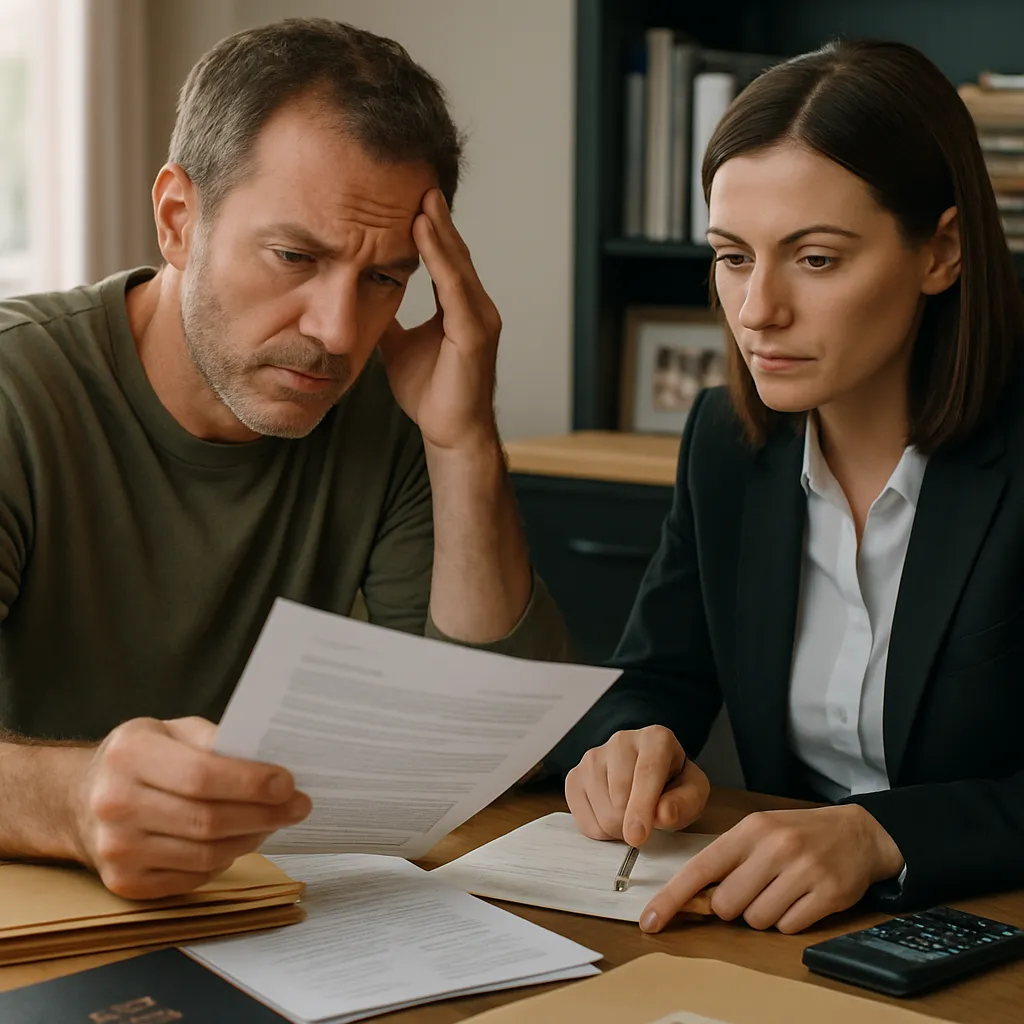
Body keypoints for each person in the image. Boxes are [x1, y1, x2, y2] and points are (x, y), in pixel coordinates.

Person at [0, 18, 569, 898]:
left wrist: (463, 443)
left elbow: (499, 751)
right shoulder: (16, 391)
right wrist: (70, 801)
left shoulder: (392, 407)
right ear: (179, 220)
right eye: (295, 256)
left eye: (384, 278)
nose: (338, 333)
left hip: (267, 913)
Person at [549, 39, 1024, 935]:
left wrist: (881, 834)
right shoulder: (727, 444)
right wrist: (629, 744)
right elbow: (657, 674)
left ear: (941, 252)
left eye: (816, 259)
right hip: (782, 926)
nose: (757, 310)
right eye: (734, 257)